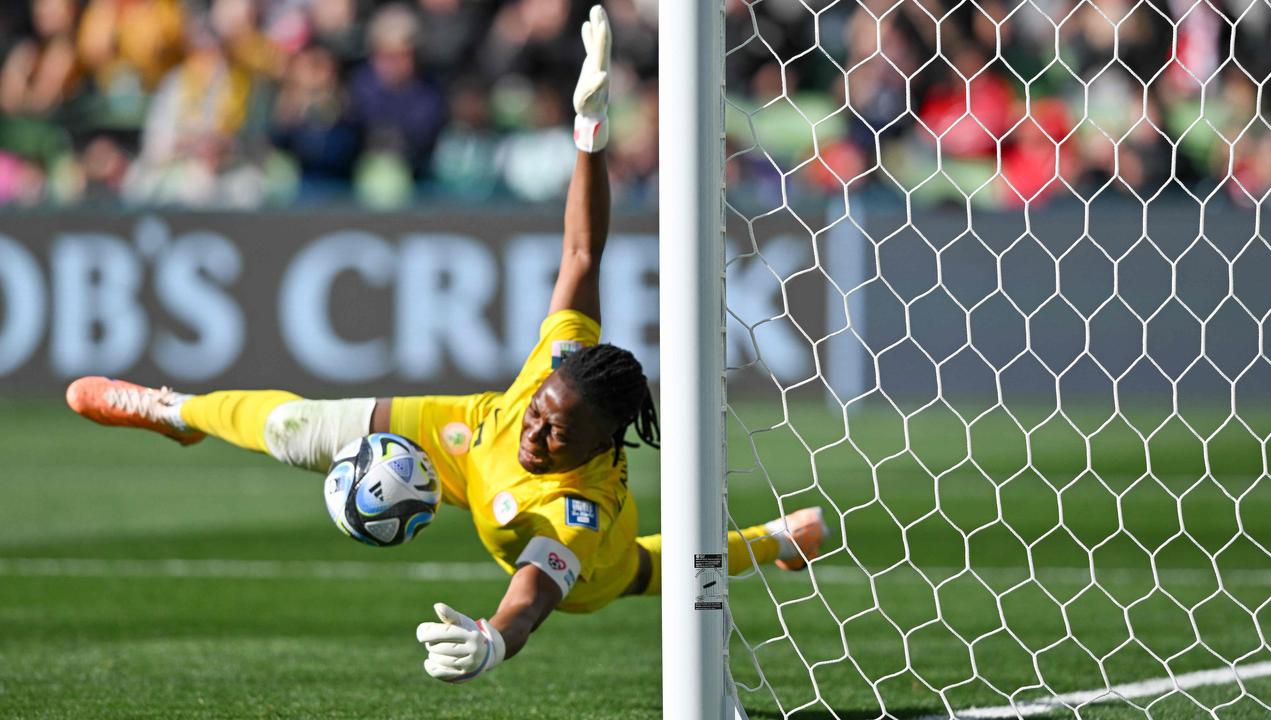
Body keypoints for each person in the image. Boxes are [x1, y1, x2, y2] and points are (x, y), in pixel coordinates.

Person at [65, 6, 828, 684]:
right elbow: (581, 254)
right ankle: (176, 410)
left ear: (600, 444)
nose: (537, 426)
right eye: (540, 410)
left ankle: (771, 540)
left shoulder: (576, 516)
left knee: (643, 570)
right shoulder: (552, 380)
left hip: (583, 560)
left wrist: (496, 639)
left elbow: (532, 595)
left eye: (556, 430)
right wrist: (588, 137)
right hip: (466, 438)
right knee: (300, 428)